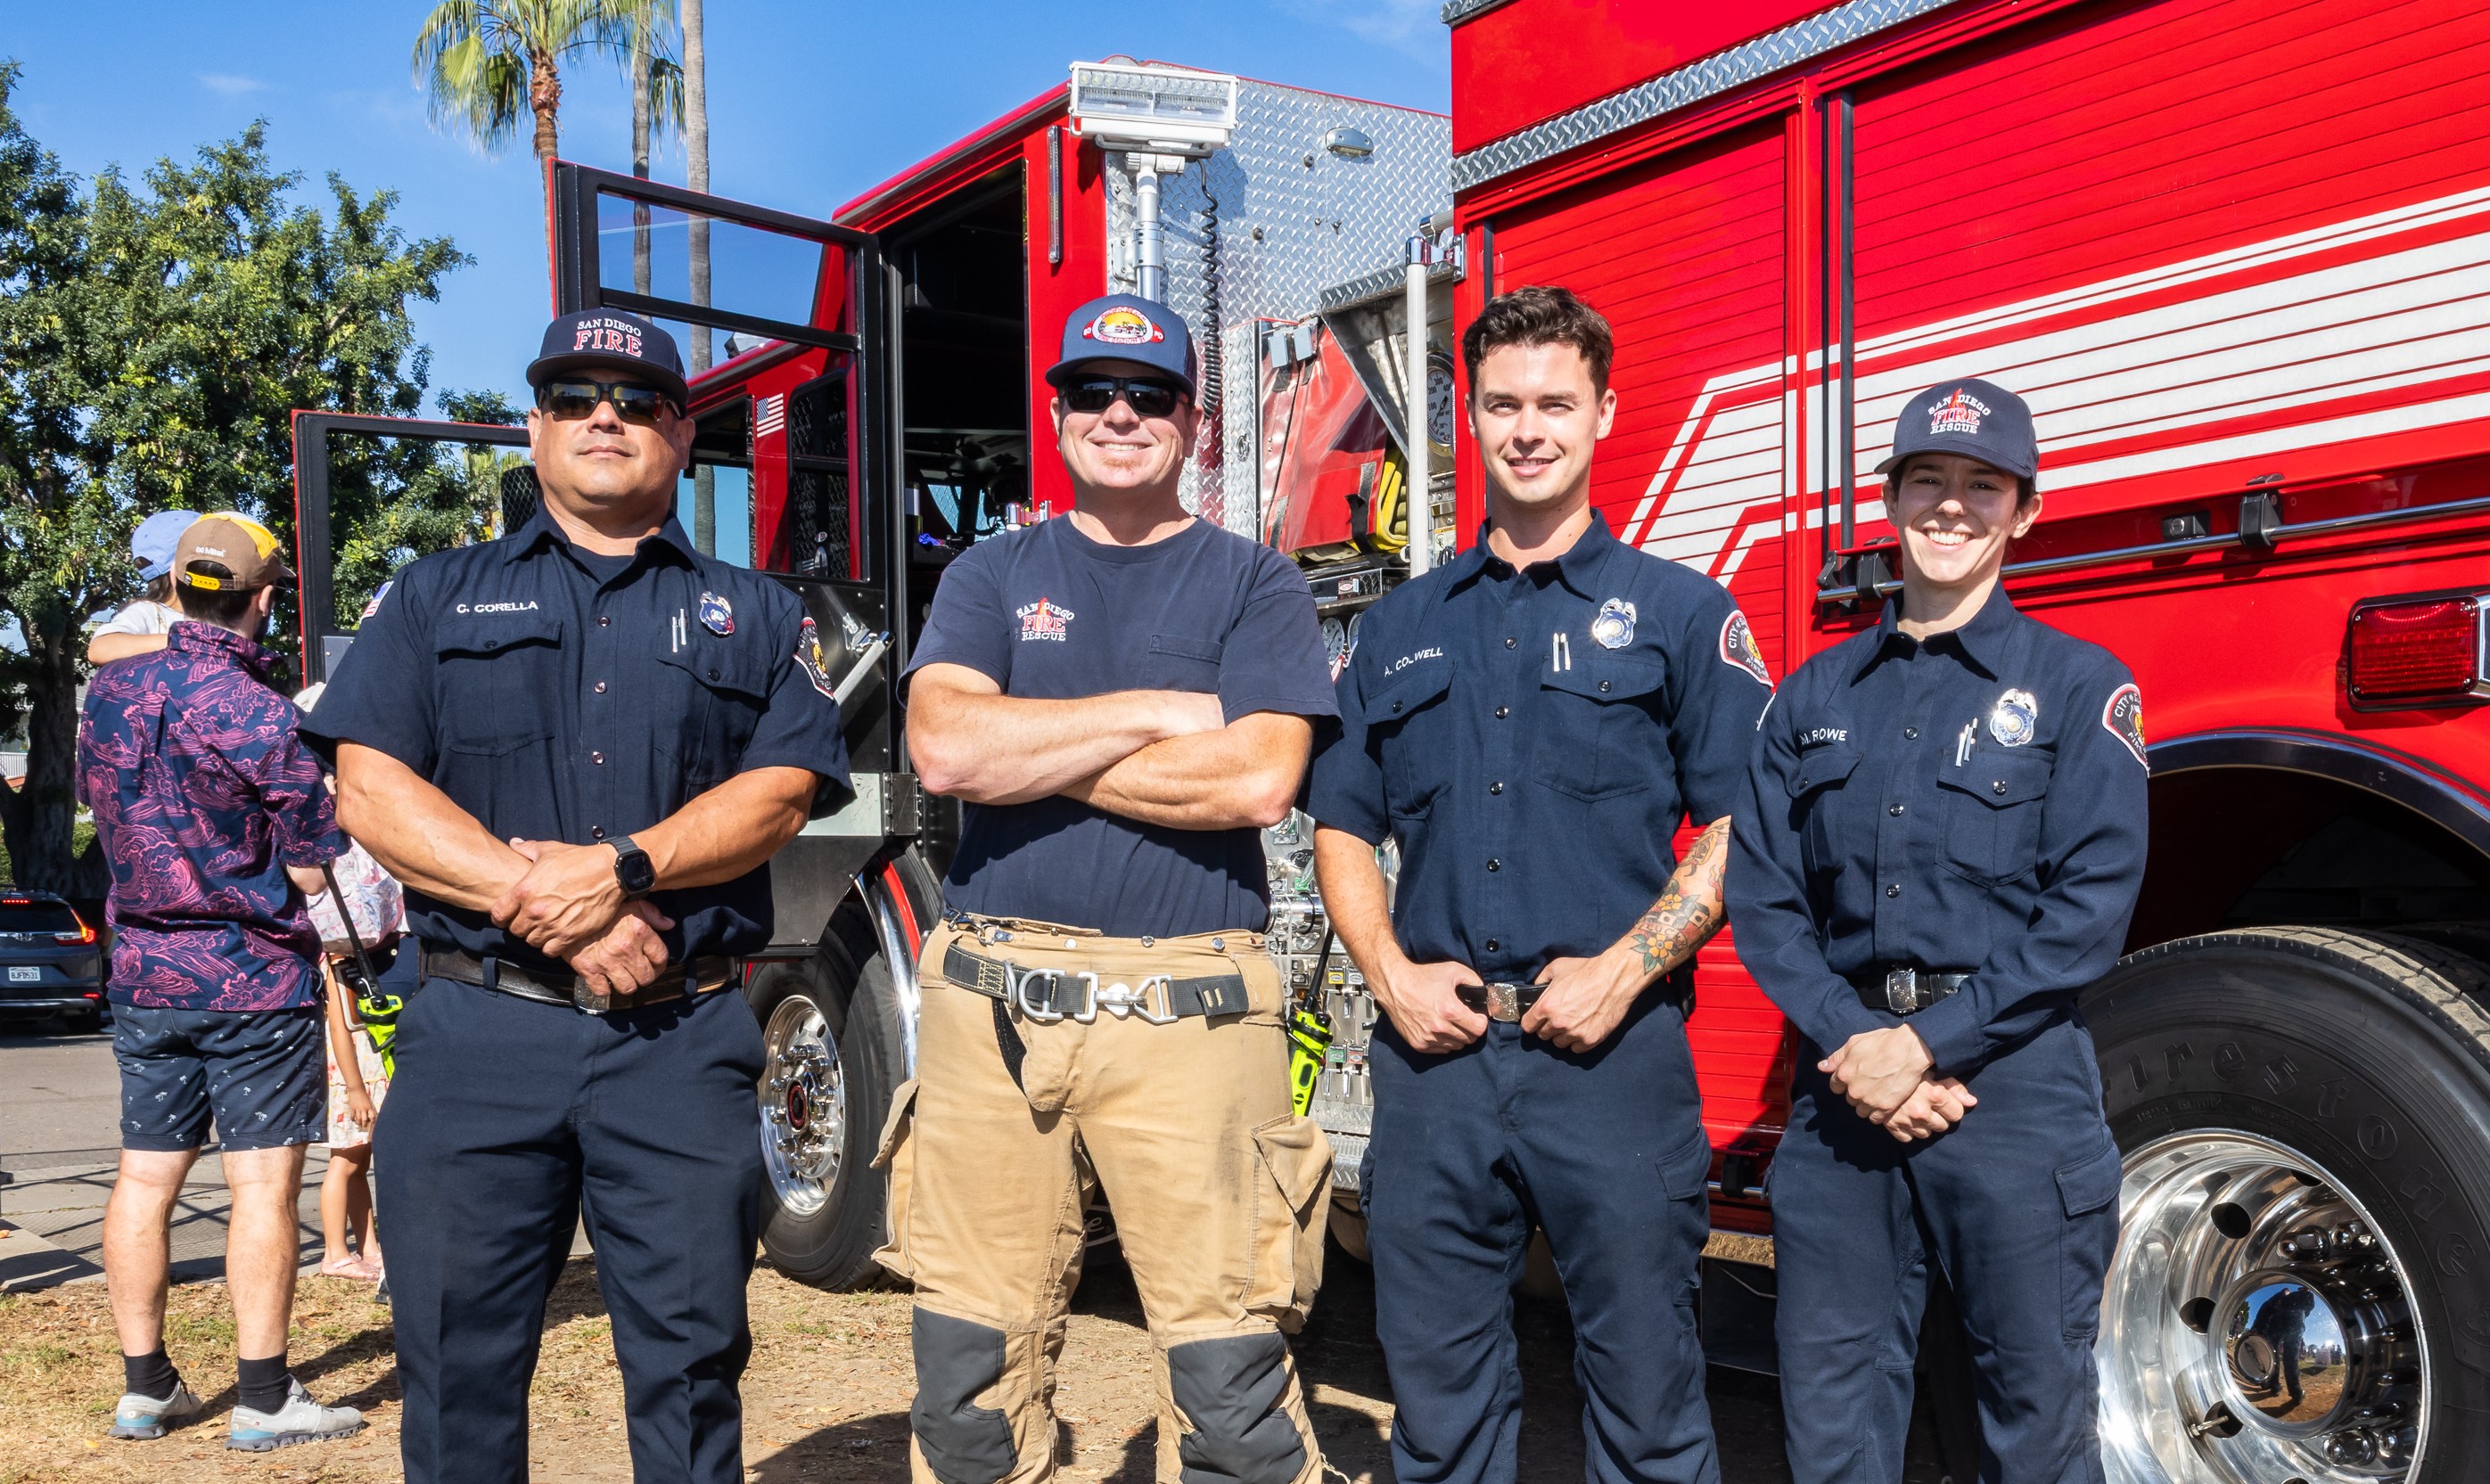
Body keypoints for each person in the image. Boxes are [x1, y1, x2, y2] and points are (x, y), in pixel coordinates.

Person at [297, 308, 849, 1484]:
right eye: (575, 395)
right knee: (455, 1373)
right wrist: (541, 895)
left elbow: (784, 794)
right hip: (476, 1035)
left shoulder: (755, 613)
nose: (608, 416)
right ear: (536, 426)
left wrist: (619, 868)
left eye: (639, 399)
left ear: (683, 432)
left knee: (694, 1370)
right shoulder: (436, 597)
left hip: (678, 1039)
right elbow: (368, 790)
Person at [1305, 285, 1770, 1484]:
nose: (1528, 427)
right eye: (1503, 402)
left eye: (1555, 402)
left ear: (1604, 411)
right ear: (1469, 413)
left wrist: (1626, 968)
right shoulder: (1400, 629)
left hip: (1612, 1063)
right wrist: (1389, 975)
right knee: (1441, 1410)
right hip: (1436, 1066)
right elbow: (1343, 826)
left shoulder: (1679, 615)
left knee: (1649, 1405)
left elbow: (1744, 821)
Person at [890, 293, 1340, 1484]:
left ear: (1193, 420)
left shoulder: (1255, 583)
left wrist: (1028, 754)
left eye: (1151, 394)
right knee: (964, 1383)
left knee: (1231, 1385)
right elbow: (942, 752)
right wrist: (1151, 714)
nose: (1121, 413)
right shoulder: (990, 575)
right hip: (992, 1018)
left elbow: (1255, 781)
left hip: (1190, 1010)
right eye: (1093, 390)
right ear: (1057, 414)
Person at [1726, 378, 2148, 1484]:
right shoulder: (1812, 695)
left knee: (2035, 1418)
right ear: (1892, 500)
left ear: (2024, 509)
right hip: (1844, 1088)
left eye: (1980, 485)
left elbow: (2089, 908)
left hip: (2010, 1089)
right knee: (1833, 1421)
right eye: (1927, 481)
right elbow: (1768, 900)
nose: (1951, 507)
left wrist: (1927, 1044)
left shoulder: (2079, 689)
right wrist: (1859, 1044)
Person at [78, 512, 367, 1450]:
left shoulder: (112, 696)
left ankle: (143, 1387)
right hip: (251, 976)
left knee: (144, 1177)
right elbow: (318, 856)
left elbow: (96, 801)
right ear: (265, 599)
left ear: (174, 587)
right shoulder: (260, 711)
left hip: (145, 974)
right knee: (261, 1188)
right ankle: (266, 1395)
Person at [87, 509, 198, 665]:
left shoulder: (219, 613)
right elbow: (100, 649)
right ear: (179, 569)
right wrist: (190, 642)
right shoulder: (150, 613)